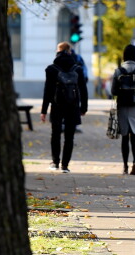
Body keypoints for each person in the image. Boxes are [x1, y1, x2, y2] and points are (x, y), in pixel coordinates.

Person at [40, 42, 88, 173]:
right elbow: (83, 89)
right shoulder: (77, 69)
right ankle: (65, 165)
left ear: (58, 51)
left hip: (57, 105)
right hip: (73, 106)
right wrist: (83, 107)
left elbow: (48, 91)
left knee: (55, 134)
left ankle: (55, 162)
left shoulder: (52, 69)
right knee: (69, 136)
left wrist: (44, 110)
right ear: (69, 52)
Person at [111, 44, 135, 175]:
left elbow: (113, 91)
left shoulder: (118, 71)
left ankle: (125, 166)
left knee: (124, 138)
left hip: (122, 106)